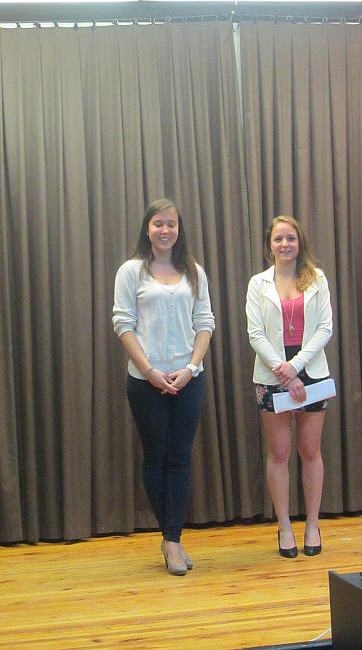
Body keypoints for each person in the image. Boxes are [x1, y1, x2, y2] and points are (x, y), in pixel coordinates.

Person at [113, 198, 215, 576]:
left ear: (179, 229)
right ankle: (171, 538)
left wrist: (191, 368)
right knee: (156, 458)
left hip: (189, 379)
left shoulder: (194, 271)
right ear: (147, 228)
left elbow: (205, 322)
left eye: (171, 224)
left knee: (180, 458)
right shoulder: (131, 271)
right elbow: (123, 324)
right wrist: (150, 370)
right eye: (158, 223)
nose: (165, 230)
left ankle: (172, 538)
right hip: (146, 381)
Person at [246, 216, 333, 558]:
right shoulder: (257, 284)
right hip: (272, 377)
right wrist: (284, 372)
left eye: (291, 238)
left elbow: (325, 328)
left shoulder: (317, 279)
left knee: (310, 451)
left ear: (300, 242)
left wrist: (296, 367)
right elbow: (255, 334)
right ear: (270, 244)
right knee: (279, 453)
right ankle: (284, 526)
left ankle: (312, 524)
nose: (285, 244)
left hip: (311, 373)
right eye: (278, 239)